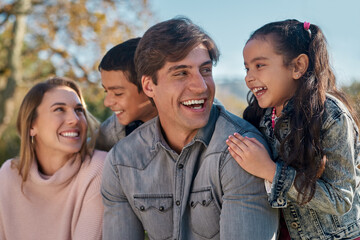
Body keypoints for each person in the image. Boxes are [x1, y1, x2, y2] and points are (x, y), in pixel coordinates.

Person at [101, 17, 278, 240]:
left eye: (205, 70)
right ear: (148, 86)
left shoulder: (242, 150)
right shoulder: (122, 161)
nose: (201, 86)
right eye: (182, 73)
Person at [226, 19, 360, 239]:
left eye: (259, 65)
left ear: (297, 66)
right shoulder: (261, 117)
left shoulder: (331, 115)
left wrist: (271, 170)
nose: (249, 77)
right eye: (247, 67)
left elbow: (341, 199)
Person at [0, 77, 107, 240]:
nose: (75, 119)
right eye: (59, 109)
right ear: (31, 126)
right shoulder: (9, 174)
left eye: (79, 110)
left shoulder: (98, 168)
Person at [96, 38, 157, 151]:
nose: (107, 102)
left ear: (149, 87)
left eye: (117, 93)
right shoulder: (110, 133)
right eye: (106, 91)